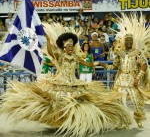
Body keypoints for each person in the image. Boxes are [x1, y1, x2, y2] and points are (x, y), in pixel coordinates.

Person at [0, 30, 132, 137]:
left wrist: (96, 63)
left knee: (78, 103)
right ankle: (60, 120)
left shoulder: (76, 57)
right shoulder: (61, 56)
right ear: (64, 47)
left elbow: (88, 63)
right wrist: (47, 40)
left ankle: (74, 122)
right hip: (61, 82)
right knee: (58, 103)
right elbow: (52, 53)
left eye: (71, 46)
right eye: (68, 46)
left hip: (74, 83)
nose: (70, 48)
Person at [100, 33, 148, 128]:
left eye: (131, 40)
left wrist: (138, 78)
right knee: (119, 102)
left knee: (137, 101)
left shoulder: (136, 53)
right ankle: (123, 121)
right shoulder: (120, 53)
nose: (129, 42)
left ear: (133, 42)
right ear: (124, 42)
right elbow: (114, 66)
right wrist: (105, 66)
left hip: (132, 80)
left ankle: (138, 119)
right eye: (127, 40)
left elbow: (144, 65)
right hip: (121, 80)